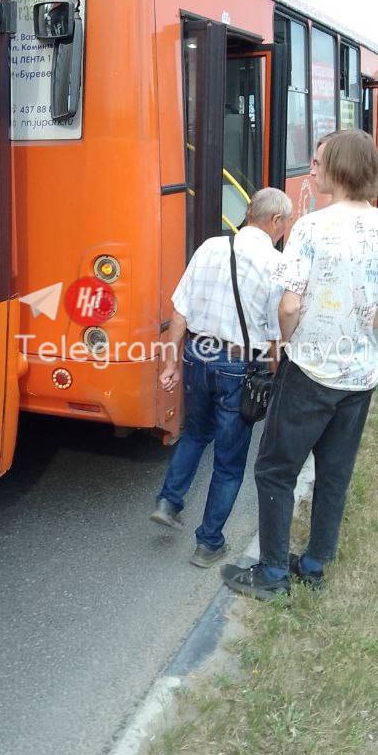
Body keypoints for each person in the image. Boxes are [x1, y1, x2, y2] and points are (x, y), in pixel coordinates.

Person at [222, 129, 378, 600]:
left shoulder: (311, 227)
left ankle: (271, 575)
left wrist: (288, 343)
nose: (313, 168)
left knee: (274, 470)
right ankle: (312, 566)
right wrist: (362, 323)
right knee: (334, 472)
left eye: (318, 161)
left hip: (310, 371)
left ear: (339, 168)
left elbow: (289, 307)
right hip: (359, 377)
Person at [152, 188, 294, 566]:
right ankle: (209, 543)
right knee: (229, 463)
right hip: (236, 365)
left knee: (196, 433)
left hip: (197, 356)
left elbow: (179, 310)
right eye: (286, 222)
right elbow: (273, 335)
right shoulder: (275, 264)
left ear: (249, 214)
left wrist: (170, 364)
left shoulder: (210, 247)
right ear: (275, 221)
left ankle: (169, 500)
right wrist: (277, 379)